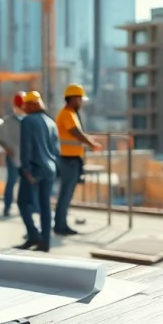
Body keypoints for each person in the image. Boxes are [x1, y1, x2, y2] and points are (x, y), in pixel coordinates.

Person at [16, 92, 59, 252]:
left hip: (34, 169)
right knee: (45, 206)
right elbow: (56, 150)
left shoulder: (27, 121)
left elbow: (26, 146)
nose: (24, 108)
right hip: (50, 168)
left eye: (26, 105)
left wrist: (26, 169)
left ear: (33, 104)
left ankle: (33, 234)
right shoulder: (51, 122)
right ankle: (45, 242)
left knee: (22, 202)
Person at [54, 83, 100, 235]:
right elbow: (75, 132)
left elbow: (76, 134)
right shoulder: (67, 114)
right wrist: (91, 143)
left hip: (72, 159)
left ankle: (61, 223)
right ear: (73, 99)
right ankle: (60, 225)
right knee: (65, 194)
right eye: (80, 99)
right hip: (68, 159)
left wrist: (88, 140)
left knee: (67, 194)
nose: (81, 103)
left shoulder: (70, 114)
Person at [0, 92, 26, 216]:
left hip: (26, 157)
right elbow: (0, 138)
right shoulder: (7, 121)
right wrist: (7, 148)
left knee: (25, 184)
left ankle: (25, 206)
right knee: (11, 182)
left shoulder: (28, 121)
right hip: (13, 156)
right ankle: (7, 206)